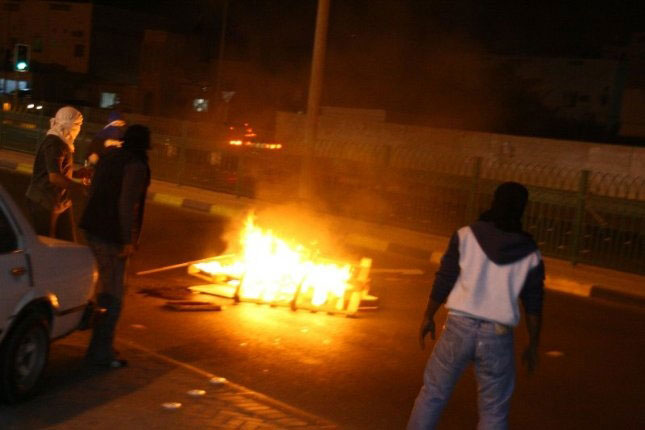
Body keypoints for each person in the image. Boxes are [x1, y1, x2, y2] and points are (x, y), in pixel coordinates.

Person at [407, 182, 545, 430]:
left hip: (458, 328)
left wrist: (428, 315)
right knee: (494, 411)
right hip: (497, 336)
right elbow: (534, 303)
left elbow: (445, 278)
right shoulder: (530, 252)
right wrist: (533, 342)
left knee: (433, 394)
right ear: (522, 208)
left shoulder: (465, 236)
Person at [80, 125, 152, 368]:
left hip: (93, 227)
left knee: (105, 290)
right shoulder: (136, 166)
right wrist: (127, 240)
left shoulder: (111, 156)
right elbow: (126, 204)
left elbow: (93, 189)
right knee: (113, 294)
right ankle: (101, 354)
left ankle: (99, 348)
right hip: (110, 235)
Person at [25, 106, 87, 241]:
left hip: (61, 200)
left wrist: (77, 173)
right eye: (77, 125)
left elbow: (58, 170)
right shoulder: (54, 143)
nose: (79, 129)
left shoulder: (62, 142)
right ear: (68, 125)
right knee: (49, 244)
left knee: (68, 243)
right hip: (44, 201)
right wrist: (79, 187)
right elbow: (54, 177)